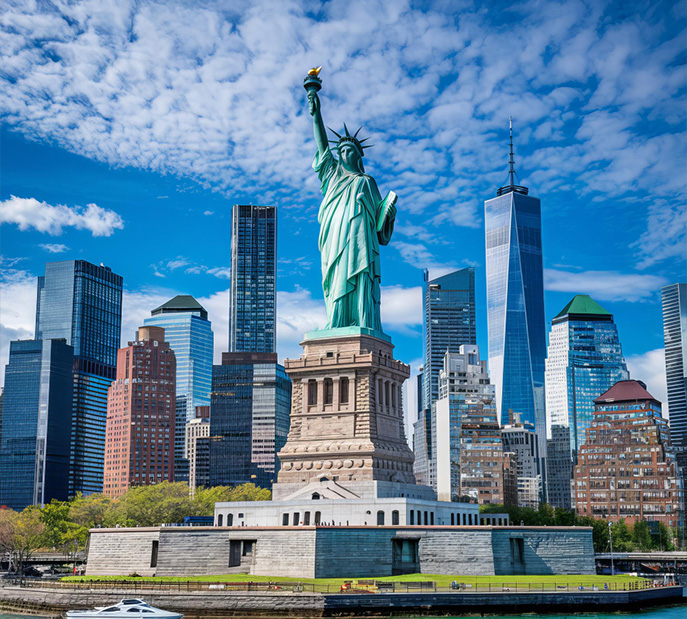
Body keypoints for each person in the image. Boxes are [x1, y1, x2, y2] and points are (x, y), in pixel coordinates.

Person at [307, 89, 397, 332]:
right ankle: (337, 321)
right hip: (335, 235)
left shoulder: (367, 182)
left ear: (358, 156)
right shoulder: (333, 175)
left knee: (360, 277)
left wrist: (389, 213)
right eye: (342, 151)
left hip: (360, 241)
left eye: (350, 151)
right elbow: (322, 144)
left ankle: (362, 319)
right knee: (336, 277)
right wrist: (317, 115)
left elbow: (381, 226)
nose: (344, 153)